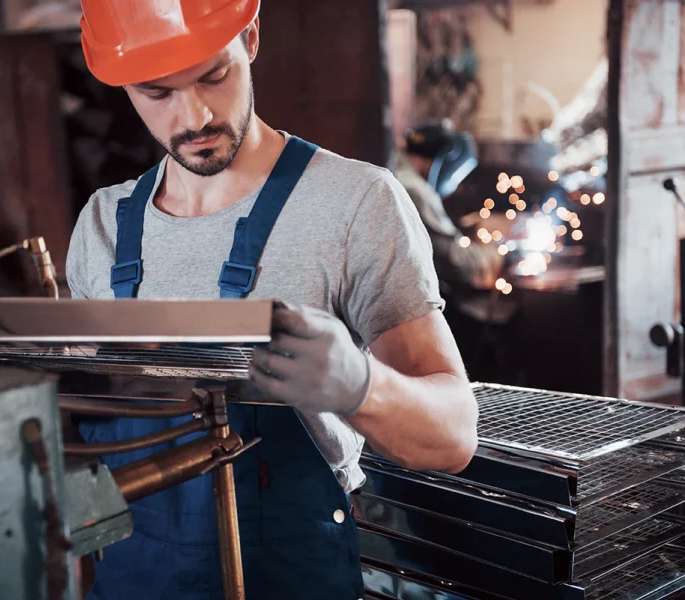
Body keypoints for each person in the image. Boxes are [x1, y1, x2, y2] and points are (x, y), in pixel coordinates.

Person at [66, 2, 479, 599]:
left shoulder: (357, 203)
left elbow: (454, 437)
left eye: (213, 75)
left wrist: (360, 385)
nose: (196, 115)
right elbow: (88, 447)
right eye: (158, 93)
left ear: (251, 37)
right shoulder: (102, 225)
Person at [394, 119, 504, 290]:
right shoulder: (415, 190)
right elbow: (451, 258)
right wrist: (497, 255)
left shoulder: (394, 172)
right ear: (443, 160)